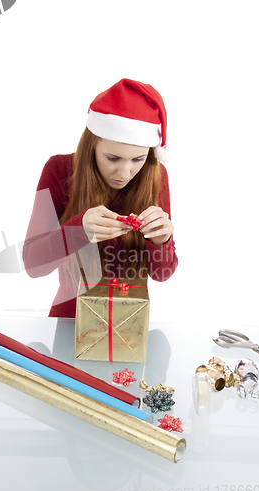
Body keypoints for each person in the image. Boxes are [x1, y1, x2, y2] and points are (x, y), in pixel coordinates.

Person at [23, 78, 178, 318]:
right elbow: (33, 265)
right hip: (69, 322)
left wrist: (162, 241)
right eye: (113, 158)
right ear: (91, 146)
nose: (124, 174)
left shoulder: (157, 176)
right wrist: (78, 230)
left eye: (137, 160)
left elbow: (162, 275)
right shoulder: (58, 169)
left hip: (130, 325)